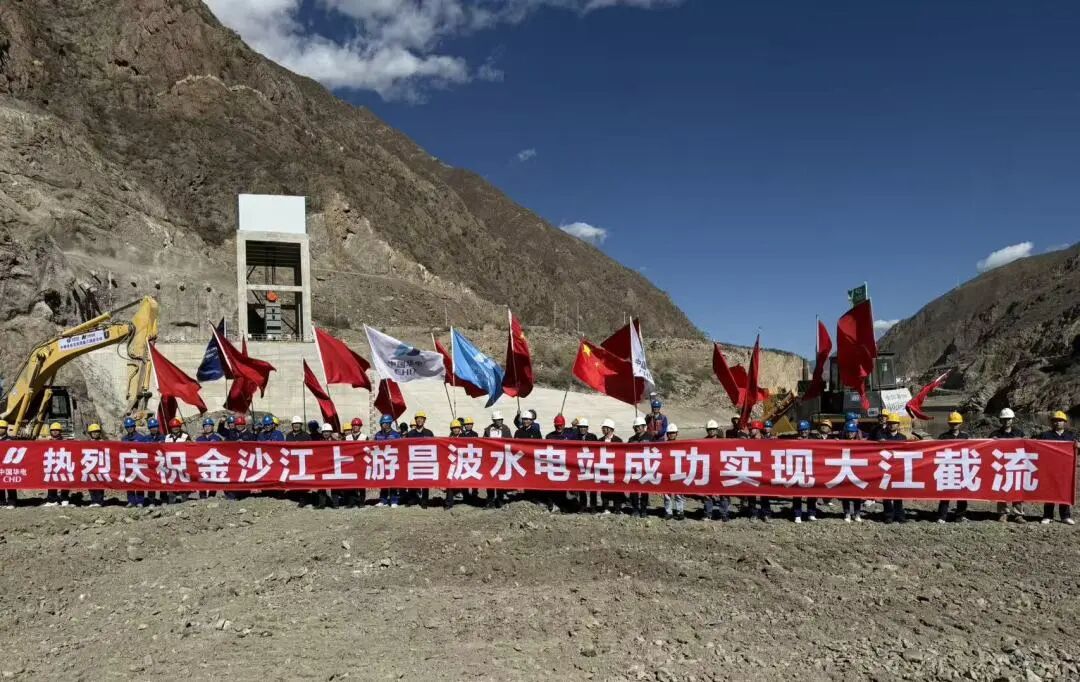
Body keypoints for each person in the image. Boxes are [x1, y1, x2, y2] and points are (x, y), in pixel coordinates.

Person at [1039, 411, 1077, 525]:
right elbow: (1038, 448)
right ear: (1052, 422)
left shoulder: (1071, 436)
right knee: (1050, 491)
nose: (1057, 422)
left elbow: (1076, 452)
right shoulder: (1045, 435)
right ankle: (1047, 515)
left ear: (1064, 422)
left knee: (1064, 491)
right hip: (1049, 468)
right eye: (1055, 420)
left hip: (1065, 469)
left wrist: (1078, 447)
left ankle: (1065, 516)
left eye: (1060, 420)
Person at [990, 408, 1026, 522]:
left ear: (1012, 420)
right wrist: (992, 441)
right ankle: (1003, 513)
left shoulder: (1019, 433)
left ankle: (1018, 514)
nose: (1007, 421)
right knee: (1001, 489)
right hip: (1001, 466)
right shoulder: (995, 434)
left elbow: (1026, 447)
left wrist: (1022, 440)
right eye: (1004, 419)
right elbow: (988, 450)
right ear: (1001, 420)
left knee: (1017, 489)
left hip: (1015, 465)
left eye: (1009, 419)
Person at [935, 412, 972, 523]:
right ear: (949, 424)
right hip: (947, 467)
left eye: (956, 423)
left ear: (960, 423)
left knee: (962, 492)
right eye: (952, 423)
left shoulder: (965, 436)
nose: (954, 425)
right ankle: (942, 516)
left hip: (961, 467)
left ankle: (960, 515)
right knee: (945, 493)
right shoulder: (943, 437)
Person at [877, 413, 909, 523]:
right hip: (885, 468)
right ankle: (888, 515)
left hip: (898, 468)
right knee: (886, 493)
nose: (892, 425)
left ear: (898, 425)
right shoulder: (881, 436)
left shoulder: (902, 438)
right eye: (890, 423)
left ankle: (899, 515)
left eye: (894, 423)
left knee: (898, 493)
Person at [591, 419, 623, 514]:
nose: (603, 430)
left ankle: (617, 508)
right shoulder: (600, 441)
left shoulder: (618, 441)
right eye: (603, 428)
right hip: (604, 469)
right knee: (604, 489)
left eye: (605, 428)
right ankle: (606, 507)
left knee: (617, 489)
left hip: (615, 469)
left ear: (610, 429)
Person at [483, 411, 512, 507]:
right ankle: (490, 500)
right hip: (490, 459)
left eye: (500, 419)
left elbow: (510, 442)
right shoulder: (488, 430)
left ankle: (500, 499)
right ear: (493, 420)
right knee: (490, 480)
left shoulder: (506, 429)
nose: (499, 421)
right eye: (497, 420)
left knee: (500, 480)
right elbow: (484, 442)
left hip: (502, 458)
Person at [702, 420, 729, 521]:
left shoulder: (723, 442)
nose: (712, 431)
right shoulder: (703, 442)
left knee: (724, 493)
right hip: (708, 470)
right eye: (710, 429)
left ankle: (724, 514)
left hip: (721, 470)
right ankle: (708, 513)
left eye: (713, 429)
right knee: (707, 493)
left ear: (717, 430)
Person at [791, 421, 818, 523]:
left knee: (812, 492)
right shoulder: (793, 441)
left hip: (810, 468)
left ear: (809, 430)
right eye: (801, 430)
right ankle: (797, 514)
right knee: (797, 493)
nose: (803, 432)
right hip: (798, 469)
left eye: (805, 429)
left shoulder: (814, 440)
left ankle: (811, 513)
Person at [839, 421, 864, 522]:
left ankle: (857, 513)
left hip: (856, 470)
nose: (850, 434)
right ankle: (847, 513)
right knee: (845, 493)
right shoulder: (840, 442)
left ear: (855, 433)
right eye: (848, 432)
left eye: (852, 432)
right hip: (844, 470)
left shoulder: (860, 444)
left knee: (857, 493)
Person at [374, 415, 402, 508]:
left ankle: (394, 500)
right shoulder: (378, 435)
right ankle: (383, 500)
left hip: (392, 460)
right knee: (383, 481)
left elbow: (401, 446)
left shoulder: (396, 435)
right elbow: (373, 446)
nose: (383, 425)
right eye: (382, 423)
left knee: (393, 481)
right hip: (382, 461)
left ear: (389, 423)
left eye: (385, 423)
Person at [120, 417, 149, 507]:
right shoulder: (124, 439)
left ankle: (140, 501)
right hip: (128, 463)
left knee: (139, 482)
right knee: (129, 482)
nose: (130, 428)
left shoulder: (141, 438)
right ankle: (131, 501)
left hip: (139, 463)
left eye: (131, 426)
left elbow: (146, 450)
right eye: (128, 427)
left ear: (134, 426)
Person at [163, 418, 191, 504]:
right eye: (173, 427)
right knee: (172, 480)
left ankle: (184, 498)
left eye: (177, 426)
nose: (175, 428)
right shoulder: (167, 437)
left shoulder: (185, 436)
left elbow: (191, 449)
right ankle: (172, 498)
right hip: (171, 463)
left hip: (182, 463)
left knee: (183, 480)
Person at [43, 422, 71, 507]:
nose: (55, 432)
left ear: (60, 431)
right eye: (53, 430)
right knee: (51, 480)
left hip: (63, 463)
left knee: (64, 480)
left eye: (57, 430)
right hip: (51, 463)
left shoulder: (65, 441)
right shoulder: (47, 441)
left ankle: (64, 498)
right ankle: (52, 499)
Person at [195, 418, 223, 499]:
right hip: (202, 463)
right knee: (202, 479)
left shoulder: (217, 438)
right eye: (205, 426)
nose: (207, 428)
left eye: (209, 426)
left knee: (213, 480)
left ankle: (211, 496)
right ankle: (202, 495)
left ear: (213, 427)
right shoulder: (199, 439)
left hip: (213, 463)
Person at [661, 424, 685, 520]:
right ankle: (668, 512)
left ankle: (680, 511)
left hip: (678, 471)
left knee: (678, 494)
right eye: (669, 433)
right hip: (667, 472)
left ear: (677, 433)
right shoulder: (664, 446)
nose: (671, 434)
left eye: (673, 433)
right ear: (667, 434)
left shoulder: (681, 445)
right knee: (667, 494)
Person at [85, 423, 107, 507]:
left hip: (100, 465)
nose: (95, 433)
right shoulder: (87, 443)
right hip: (90, 465)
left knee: (99, 483)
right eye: (93, 432)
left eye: (97, 432)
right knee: (90, 483)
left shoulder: (103, 442)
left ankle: (99, 500)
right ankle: (93, 500)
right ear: (90, 433)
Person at [0, 420, 16, 508]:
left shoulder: (11, 440)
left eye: (2, 428)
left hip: (9, 465)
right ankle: (1, 501)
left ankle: (12, 502)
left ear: (6, 429)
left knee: (10, 484)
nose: (0, 429)